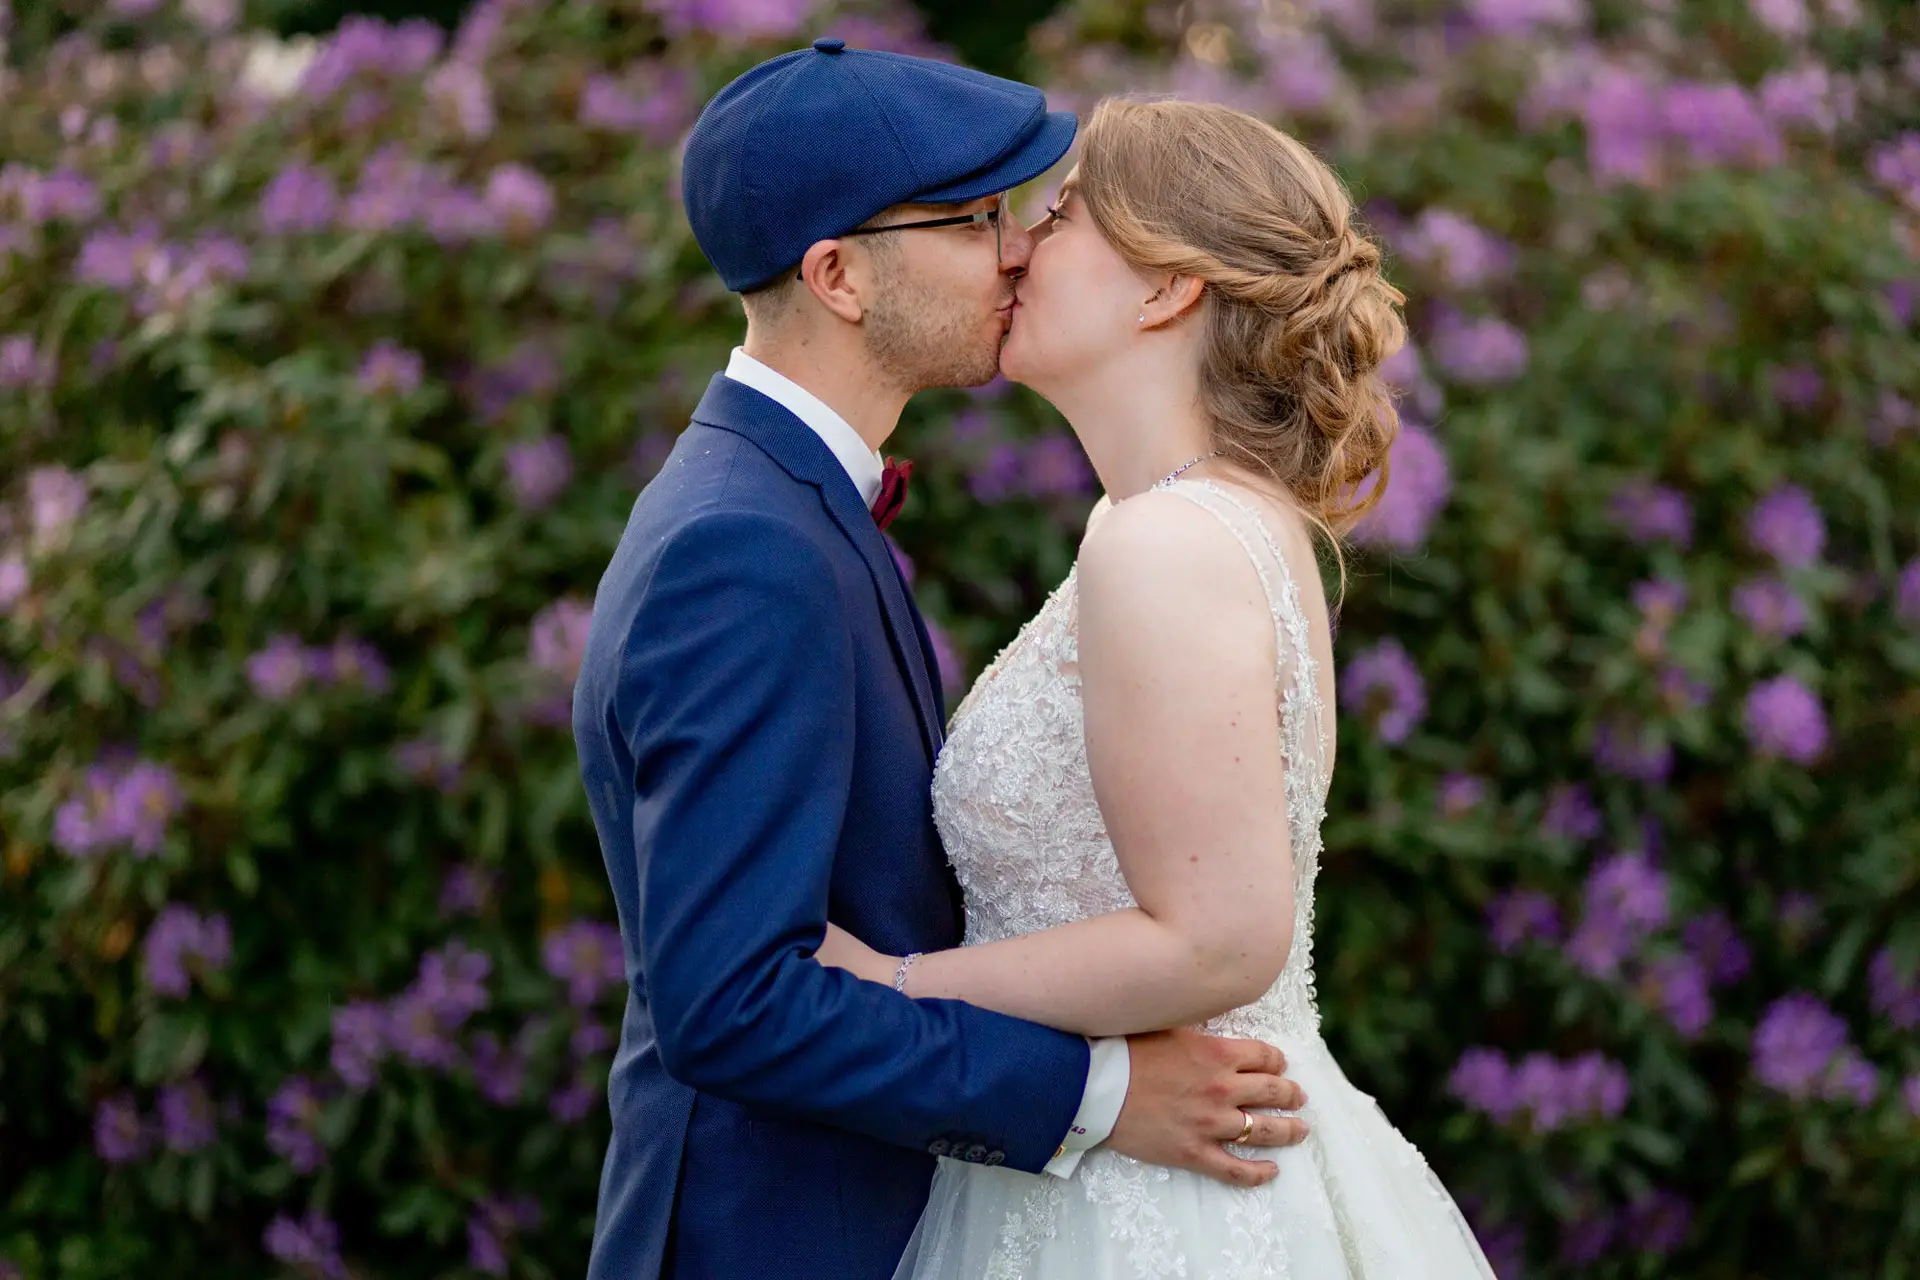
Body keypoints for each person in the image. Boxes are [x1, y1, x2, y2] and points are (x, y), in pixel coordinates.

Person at [571, 44, 1308, 1280]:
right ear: (839, 275)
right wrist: (1097, 1092)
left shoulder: (786, 507)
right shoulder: (745, 548)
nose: (1017, 247)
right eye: (971, 222)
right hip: (776, 1238)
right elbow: (733, 1002)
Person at [815, 97, 1499, 1277]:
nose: (1019, 244)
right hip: (1149, 1156)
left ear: (1165, 289)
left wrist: (895, 986)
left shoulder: (1168, 541)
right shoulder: (1181, 521)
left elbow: (1223, 936)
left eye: (1065, 214)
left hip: (1172, 1198)